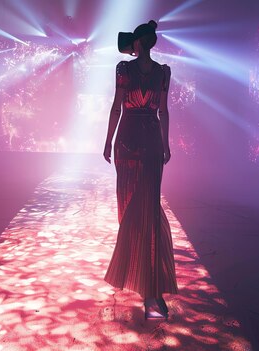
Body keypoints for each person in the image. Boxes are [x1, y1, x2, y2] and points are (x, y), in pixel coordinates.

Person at [103, 20, 178, 320]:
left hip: (129, 138)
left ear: (136, 45)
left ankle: (149, 289)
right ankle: (149, 288)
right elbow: (164, 111)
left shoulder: (124, 69)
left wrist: (108, 141)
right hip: (148, 140)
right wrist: (165, 144)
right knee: (143, 206)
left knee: (135, 207)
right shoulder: (162, 72)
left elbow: (116, 107)